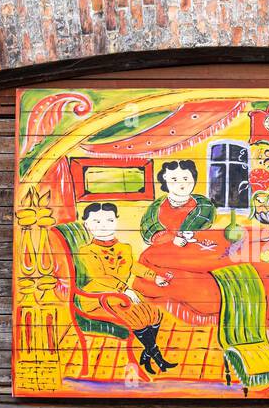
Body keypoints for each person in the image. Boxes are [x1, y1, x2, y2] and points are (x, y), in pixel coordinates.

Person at [77, 202, 175, 374]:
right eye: (96, 222)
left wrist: (155, 277)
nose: (103, 226)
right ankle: (158, 359)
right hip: (98, 295)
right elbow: (100, 276)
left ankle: (147, 354)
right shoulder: (87, 250)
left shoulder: (124, 247)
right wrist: (124, 290)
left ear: (116, 221)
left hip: (122, 295)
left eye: (108, 220)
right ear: (87, 224)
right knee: (137, 316)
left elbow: (134, 267)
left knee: (154, 313)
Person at [140, 159, 217, 246]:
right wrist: (171, 239)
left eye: (185, 178)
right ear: (165, 180)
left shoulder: (205, 206)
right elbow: (148, 233)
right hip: (163, 254)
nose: (181, 184)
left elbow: (205, 233)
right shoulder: (155, 208)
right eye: (174, 179)